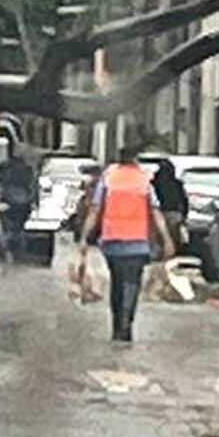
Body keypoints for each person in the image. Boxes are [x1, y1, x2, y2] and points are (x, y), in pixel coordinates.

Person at [79, 143, 174, 342]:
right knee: (132, 283)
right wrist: (166, 239)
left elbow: (95, 210)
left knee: (117, 282)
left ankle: (117, 325)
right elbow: (156, 212)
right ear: (135, 160)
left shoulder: (109, 179)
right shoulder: (143, 180)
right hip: (138, 243)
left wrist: (84, 238)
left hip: (112, 243)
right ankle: (126, 324)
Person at [0, 145, 35, 256]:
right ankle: (18, 249)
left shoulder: (3, 167)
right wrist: (33, 202)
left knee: (6, 227)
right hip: (23, 203)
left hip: (7, 201)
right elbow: (33, 187)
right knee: (19, 227)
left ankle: (6, 250)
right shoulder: (28, 168)